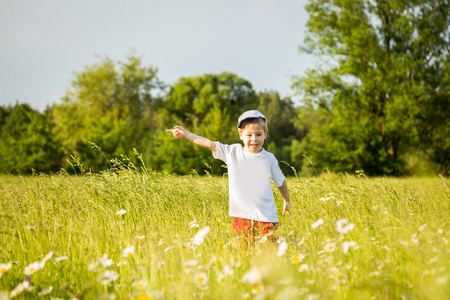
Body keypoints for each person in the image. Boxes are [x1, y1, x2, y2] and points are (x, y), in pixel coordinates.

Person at [166, 110, 291, 243]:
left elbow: (280, 181)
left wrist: (286, 200)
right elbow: (208, 143)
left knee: (270, 255)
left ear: (265, 135)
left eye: (258, 134)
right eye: (249, 135)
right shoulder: (232, 152)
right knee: (243, 255)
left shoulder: (269, 158)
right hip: (241, 217)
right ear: (240, 134)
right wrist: (187, 134)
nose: (254, 139)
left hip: (267, 218)